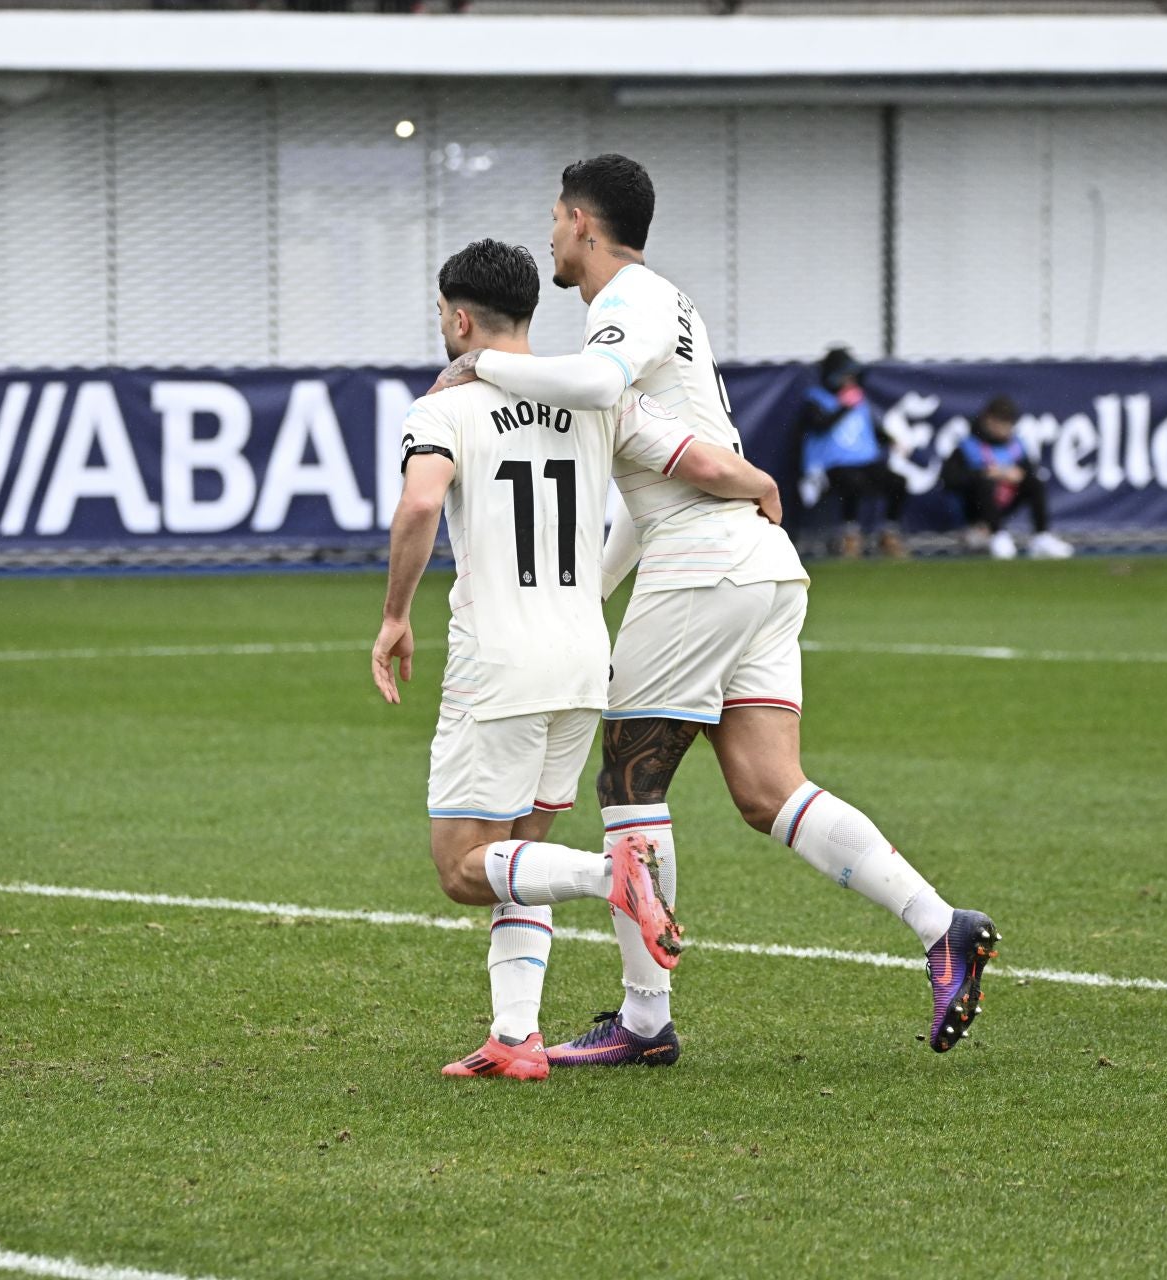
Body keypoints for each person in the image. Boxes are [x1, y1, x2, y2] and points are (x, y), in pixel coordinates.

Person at [432, 155, 998, 1062]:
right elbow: (663, 463)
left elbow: (601, 388)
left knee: (628, 785)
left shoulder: (628, 302)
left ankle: (646, 1022)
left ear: (582, 222)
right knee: (770, 790)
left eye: (553, 219)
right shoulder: (665, 306)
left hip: (703, 563)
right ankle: (943, 925)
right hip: (750, 559)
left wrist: (480, 364)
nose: (549, 237)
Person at [375, 237, 784, 1079]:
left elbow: (421, 502)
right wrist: (758, 486)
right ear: (529, 310)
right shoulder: (598, 399)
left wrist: (393, 617)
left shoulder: (447, 403)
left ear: (459, 318)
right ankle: (515, 1038)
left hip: (500, 658)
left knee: (462, 867)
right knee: (523, 851)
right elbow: (703, 461)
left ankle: (612, 876)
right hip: (581, 657)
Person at [797, 347, 909, 559]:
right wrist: (844, 406)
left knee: (897, 482)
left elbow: (870, 429)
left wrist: (891, 439)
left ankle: (888, 533)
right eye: (845, 375)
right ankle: (850, 534)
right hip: (832, 465)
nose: (850, 380)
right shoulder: (815, 399)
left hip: (865, 461)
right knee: (852, 483)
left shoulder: (859, 400)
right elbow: (820, 425)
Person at [940, 396, 1074, 560]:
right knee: (985, 483)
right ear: (988, 420)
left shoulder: (1016, 446)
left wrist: (1016, 474)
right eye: (1000, 422)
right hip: (975, 509)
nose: (1005, 429)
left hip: (1006, 502)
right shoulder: (967, 447)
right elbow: (948, 480)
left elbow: (1028, 471)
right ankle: (997, 535)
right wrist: (982, 474)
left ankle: (1041, 536)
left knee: (1034, 482)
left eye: (1008, 424)